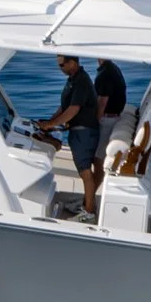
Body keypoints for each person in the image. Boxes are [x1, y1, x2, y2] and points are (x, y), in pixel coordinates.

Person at [38, 54, 102, 221]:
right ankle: (87, 204)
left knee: (85, 173)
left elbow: (73, 110)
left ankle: (88, 213)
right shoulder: (74, 78)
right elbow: (64, 105)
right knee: (84, 172)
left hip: (84, 132)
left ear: (73, 62)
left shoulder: (81, 81)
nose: (60, 69)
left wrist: (51, 124)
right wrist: (50, 122)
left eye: (62, 65)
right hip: (78, 131)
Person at [93, 57, 127, 168]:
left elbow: (102, 103)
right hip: (113, 117)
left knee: (99, 158)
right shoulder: (113, 68)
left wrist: (93, 123)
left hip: (106, 120)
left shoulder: (105, 74)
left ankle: (95, 185)